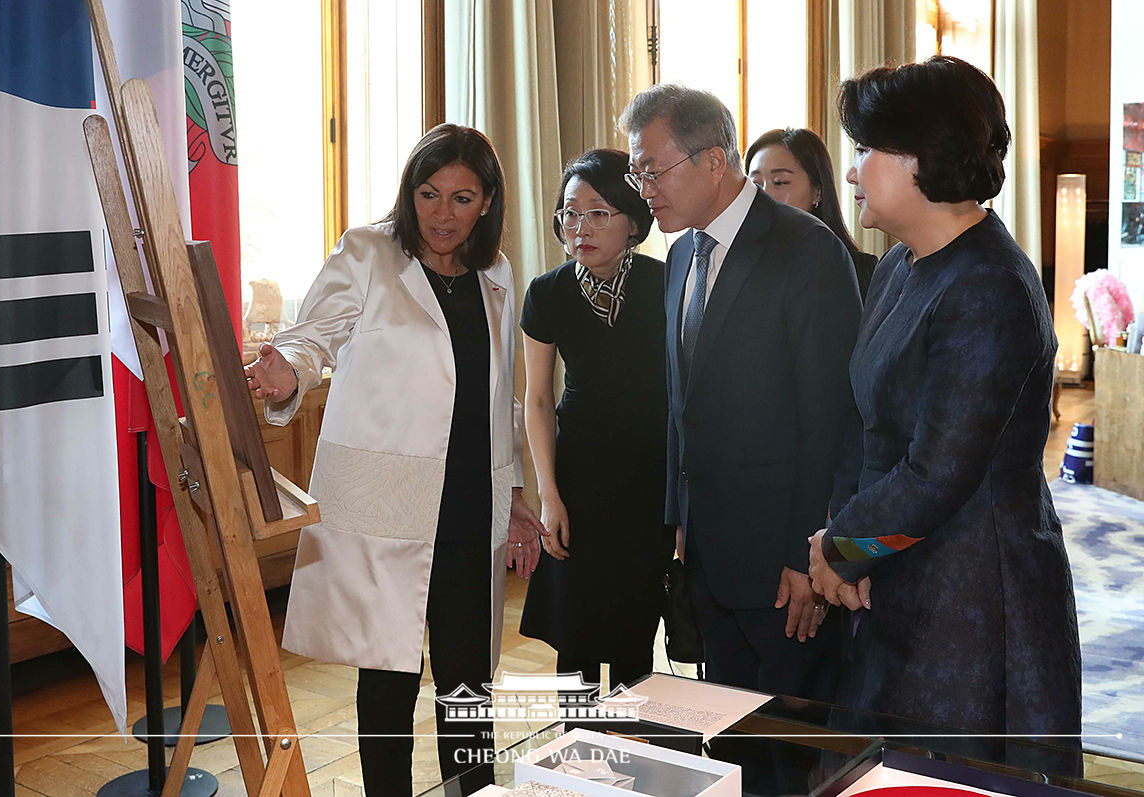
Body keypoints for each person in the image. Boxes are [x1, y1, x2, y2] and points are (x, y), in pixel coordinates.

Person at [244, 124, 547, 796]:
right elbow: (310, 338)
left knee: (470, 685)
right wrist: (286, 374)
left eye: (463, 198)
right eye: (429, 193)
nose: (443, 213)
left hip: (471, 503)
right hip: (388, 506)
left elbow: (501, 397)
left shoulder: (496, 274)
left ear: (489, 202)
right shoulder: (367, 254)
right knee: (386, 681)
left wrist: (517, 493)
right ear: (410, 194)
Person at [808, 56, 1082, 745]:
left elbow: (939, 474)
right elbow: (864, 419)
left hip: (971, 604)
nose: (849, 170)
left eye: (865, 150)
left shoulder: (990, 288)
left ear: (922, 159)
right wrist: (841, 539)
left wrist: (841, 551)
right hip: (898, 571)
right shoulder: (902, 263)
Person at [620, 85, 861, 700]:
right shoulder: (679, 256)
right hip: (706, 552)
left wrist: (807, 556)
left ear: (714, 161)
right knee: (730, 739)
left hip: (783, 559)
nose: (642, 186)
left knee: (794, 751)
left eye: (652, 169)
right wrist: (679, 518)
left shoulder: (806, 251)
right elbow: (683, 404)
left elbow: (829, 420)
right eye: (635, 169)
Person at [518, 149, 671, 691]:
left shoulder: (668, 283)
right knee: (574, 637)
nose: (580, 227)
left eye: (599, 212)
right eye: (570, 213)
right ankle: (572, 764)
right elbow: (537, 399)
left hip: (649, 480)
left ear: (634, 220)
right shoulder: (547, 292)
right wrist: (548, 494)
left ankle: (634, 759)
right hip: (578, 476)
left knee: (634, 640)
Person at [746, 127, 878, 299]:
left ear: (817, 191)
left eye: (780, 182)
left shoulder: (855, 269)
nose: (764, 194)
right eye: (755, 184)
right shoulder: (738, 263)